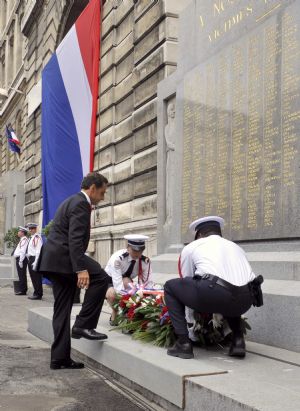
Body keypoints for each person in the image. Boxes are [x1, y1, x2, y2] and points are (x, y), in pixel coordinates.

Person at [38, 172, 110, 370]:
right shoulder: (81, 204)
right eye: (102, 193)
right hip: (65, 258)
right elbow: (75, 240)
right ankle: (84, 325)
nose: (103, 198)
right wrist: (81, 269)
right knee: (102, 278)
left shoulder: (71, 200)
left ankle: (59, 358)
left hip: (54, 261)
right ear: (92, 188)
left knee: (62, 309)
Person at [164, 216, 260, 359]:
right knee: (233, 288)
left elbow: (187, 279)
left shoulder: (192, 247)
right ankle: (238, 341)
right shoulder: (236, 247)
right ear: (219, 233)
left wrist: (191, 321)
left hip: (213, 294)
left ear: (199, 235)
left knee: (170, 287)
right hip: (246, 300)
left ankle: (183, 343)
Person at [105, 235, 153, 325]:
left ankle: (129, 315)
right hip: (108, 280)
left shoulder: (145, 262)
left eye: (140, 251)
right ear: (128, 247)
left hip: (126, 280)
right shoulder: (118, 259)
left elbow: (147, 283)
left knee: (128, 283)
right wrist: (126, 302)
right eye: (134, 250)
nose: (137, 254)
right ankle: (115, 312)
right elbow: (118, 284)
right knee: (112, 294)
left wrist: (144, 298)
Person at [26, 223, 43, 300]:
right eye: (29, 229)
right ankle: (36, 292)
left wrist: (36, 262)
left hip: (35, 258)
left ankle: (38, 294)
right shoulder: (31, 238)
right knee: (33, 277)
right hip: (31, 258)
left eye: (32, 228)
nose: (30, 230)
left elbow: (38, 251)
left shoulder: (37, 238)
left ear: (35, 229)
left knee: (36, 277)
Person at [13, 226, 29, 295]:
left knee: (22, 275)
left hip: (21, 259)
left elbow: (23, 251)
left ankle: (23, 290)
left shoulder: (24, 240)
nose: (18, 233)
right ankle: (22, 289)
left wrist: (20, 261)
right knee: (21, 274)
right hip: (19, 258)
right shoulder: (22, 239)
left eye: (19, 231)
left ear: (22, 233)